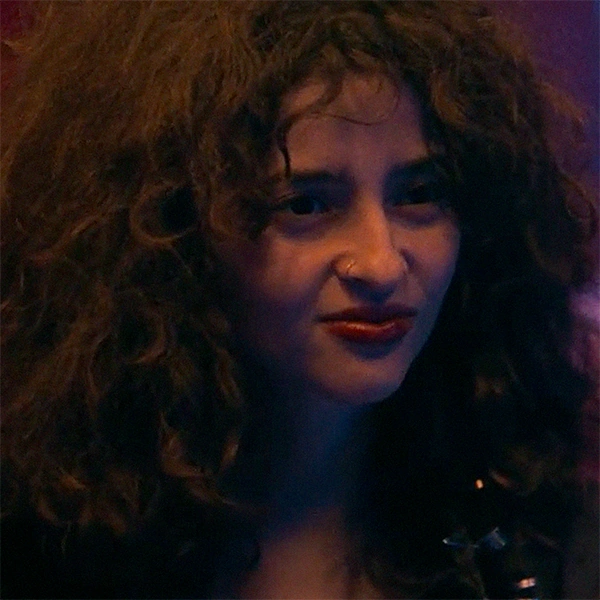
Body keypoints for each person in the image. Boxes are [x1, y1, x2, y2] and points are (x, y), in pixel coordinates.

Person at [1, 2, 597, 598]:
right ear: (169, 231)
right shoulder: (43, 542)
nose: (382, 263)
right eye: (306, 205)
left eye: (419, 193)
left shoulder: (536, 526)